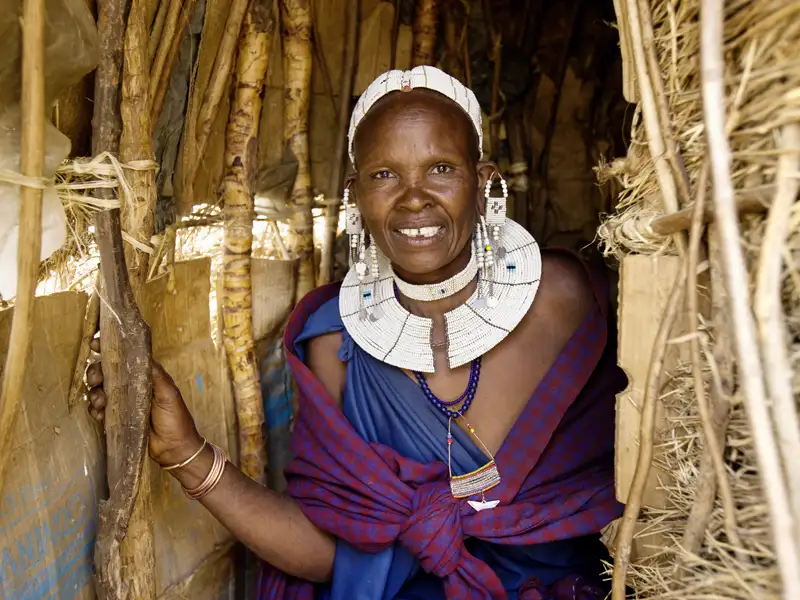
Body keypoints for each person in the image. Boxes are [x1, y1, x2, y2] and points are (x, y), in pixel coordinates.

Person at [86, 66, 628, 600]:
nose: (414, 197)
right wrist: (186, 451)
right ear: (355, 195)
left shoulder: (563, 303)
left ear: (483, 181)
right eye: (384, 175)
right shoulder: (335, 346)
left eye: (441, 168)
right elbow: (340, 555)